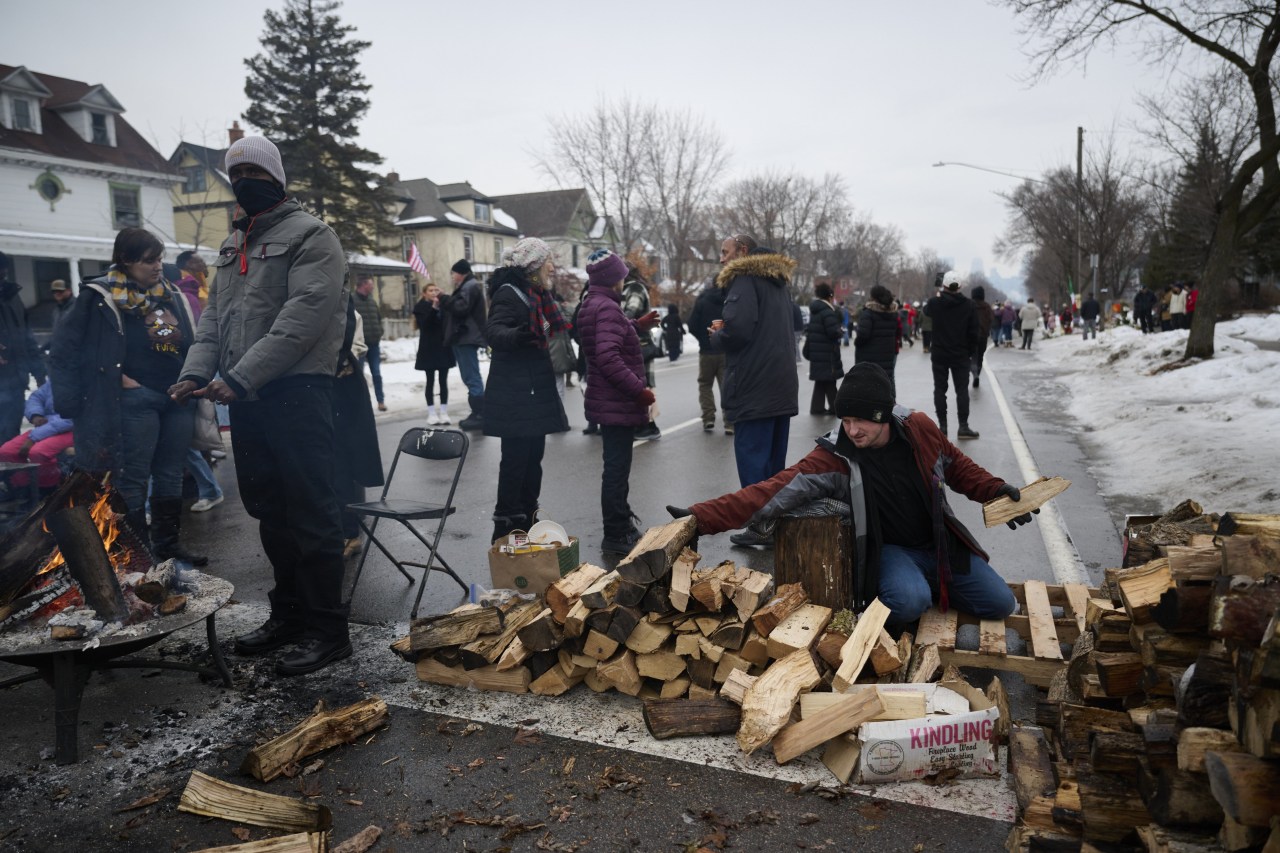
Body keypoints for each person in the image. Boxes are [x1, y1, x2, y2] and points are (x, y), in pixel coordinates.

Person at [168, 135, 351, 677]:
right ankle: (288, 616)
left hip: (297, 393)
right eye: (235, 169)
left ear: (275, 176)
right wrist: (194, 372)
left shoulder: (313, 237)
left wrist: (240, 376)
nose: (243, 177)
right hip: (245, 397)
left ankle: (327, 629)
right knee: (269, 511)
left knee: (312, 513)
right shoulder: (232, 246)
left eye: (253, 168)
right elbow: (214, 321)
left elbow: (303, 319)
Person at [668, 363, 1028, 624]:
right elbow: (769, 491)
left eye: (861, 421)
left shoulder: (919, 429)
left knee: (1000, 604)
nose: (852, 430)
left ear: (884, 415)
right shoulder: (835, 457)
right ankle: (913, 587)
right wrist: (701, 518)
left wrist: (997, 491)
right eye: (846, 420)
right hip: (892, 552)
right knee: (906, 604)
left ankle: (928, 584)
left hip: (939, 545)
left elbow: (959, 468)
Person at [49, 227, 205, 565]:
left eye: (160, 259)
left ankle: (167, 545)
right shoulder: (99, 296)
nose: (158, 267)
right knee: (133, 477)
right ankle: (138, 552)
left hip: (177, 398)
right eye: (149, 261)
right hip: (135, 401)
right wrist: (107, 378)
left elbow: (185, 342)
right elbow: (65, 350)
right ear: (126, 260)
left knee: (170, 473)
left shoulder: (170, 295)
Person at [483, 237, 572, 542]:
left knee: (533, 458)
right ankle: (508, 524)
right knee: (516, 460)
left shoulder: (536, 293)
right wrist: (519, 335)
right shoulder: (511, 294)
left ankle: (528, 514)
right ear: (534, 265)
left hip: (532, 389)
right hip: (515, 394)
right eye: (548, 261)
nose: (552, 266)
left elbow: (558, 326)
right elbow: (494, 330)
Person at [577, 250, 659, 555]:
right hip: (617, 402)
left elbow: (608, 338)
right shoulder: (608, 308)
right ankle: (616, 531)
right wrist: (640, 391)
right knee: (616, 469)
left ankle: (621, 522)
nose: (625, 279)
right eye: (622, 274)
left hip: (607, 400)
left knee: (615, 467)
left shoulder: (594, 303)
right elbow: (608, 358)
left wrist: (637, 324)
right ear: (613, 279)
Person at [713, 235, 799, 494]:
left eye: (725, 252)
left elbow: (737, 331)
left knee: (753, 467)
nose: (722, 258)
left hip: (754, 387)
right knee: (774, 468)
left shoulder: (745, 278)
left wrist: (717, 336)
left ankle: (759, 526)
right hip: (780, 387)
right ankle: (774, 523)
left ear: (743, 251)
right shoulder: (779, 283)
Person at [173, 251, 224, 514]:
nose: (204, 264)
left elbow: (193, 336)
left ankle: (209, 489)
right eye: (198, 260)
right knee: (181, 443)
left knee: (183, 442)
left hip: (186, 373)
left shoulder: (187, 296)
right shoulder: (186, 294)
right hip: (188, 372)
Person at [925, 271, 980, 439]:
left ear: (944, 286)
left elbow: (926, 311)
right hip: (961, 354)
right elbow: (974, 332)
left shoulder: (935, 303)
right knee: (962, 390)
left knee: (940, 390)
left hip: (940, 352)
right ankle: (963, 426)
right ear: (960, 286)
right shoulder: (969, 305)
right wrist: (969, 352)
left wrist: (938, 294)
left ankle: (942, 427)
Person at [0, 250, 46, 443]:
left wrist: (40, 374)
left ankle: (7, 472)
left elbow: (28, 340)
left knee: (9, 434)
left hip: (15, 380)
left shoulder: (12, 297)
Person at [0, 379, 73, 493]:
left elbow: (71, 419)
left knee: (38, 453)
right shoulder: (55, 380)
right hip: (46, 427)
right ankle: (21, 490)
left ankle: (47, 491)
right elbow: (36, 397)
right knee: (6, 451)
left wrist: (33, 438)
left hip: (73, 430)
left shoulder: (86, 381)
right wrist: (35, 415)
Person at [443, 260, 487, 431]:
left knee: (471, 376)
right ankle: (476, 412)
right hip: (464, 337)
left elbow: (461, 308)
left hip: (467, 336)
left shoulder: (470, 286)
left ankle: (480, 414)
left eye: (454, 273)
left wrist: (443, 298)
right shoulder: (469, 286)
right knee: (469, 376)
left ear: (461, 273)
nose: (453, 276)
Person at [621, 265, 662, 441]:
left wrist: (615, 319)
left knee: (643, 385)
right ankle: (645, 423)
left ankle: (648, 425)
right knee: (643, 384)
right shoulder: (629, 288)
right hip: (638, 344)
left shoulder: (635, 288)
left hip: (640, 345)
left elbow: (631, 311)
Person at [687, 277, 731, 434]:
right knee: (726, 386)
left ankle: (708, 418)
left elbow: (691, 324)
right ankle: (729, 423)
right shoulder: (730, 299)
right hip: (725, 350)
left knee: (705, 384)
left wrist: (703, 339)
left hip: (706, 351)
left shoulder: (702, 300)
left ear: (711, 284)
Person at [412, 283, 455, 424]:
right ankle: (431, 412)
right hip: (428, 348)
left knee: (443, 381)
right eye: (430, 290)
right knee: (430, 381)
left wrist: (441, 304)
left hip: (443, 347)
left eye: (436, 289)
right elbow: (425, 324)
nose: (433, 292)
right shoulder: (420, 307)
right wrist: (434, 308)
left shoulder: (443, 305)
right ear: (424, 293)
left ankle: (443, 411)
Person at [853, 284, 900, 396]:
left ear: (873, 297)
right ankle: (890, 405)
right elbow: (897, 332)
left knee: (867, 383)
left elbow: (863, 335)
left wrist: (857, 343)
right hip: (887, 354)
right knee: (887, 380)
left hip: (868, 355)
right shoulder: (893, 314)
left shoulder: (868, 313)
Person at [805, 282, 844, 415]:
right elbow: (832, 332)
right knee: (829, 381)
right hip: (827, 352)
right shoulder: (827, 312)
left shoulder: (815, 311)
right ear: (829, 296)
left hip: (817, 352)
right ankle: (836, 408)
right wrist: (840, 331)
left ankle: (817, 408)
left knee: (821, 382)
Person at [352, 276, 386, 412]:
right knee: (359, 375)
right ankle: (362, 403)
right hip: (359, 345)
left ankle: (380, 401)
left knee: (376, 373)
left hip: (373, 344)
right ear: (363, 285)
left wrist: (379, 332)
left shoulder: (372, 301)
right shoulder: (352, 301)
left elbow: (378, 318)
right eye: (370, 284)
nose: (372, 287)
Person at [969, 286, 995, 390]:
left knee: (973, 356)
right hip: (983, 336)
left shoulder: (969, 305)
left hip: (971, 335)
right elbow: (991, 319)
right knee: (980, 356)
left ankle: (974, 373)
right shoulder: (987, 307)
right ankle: (977, 374)